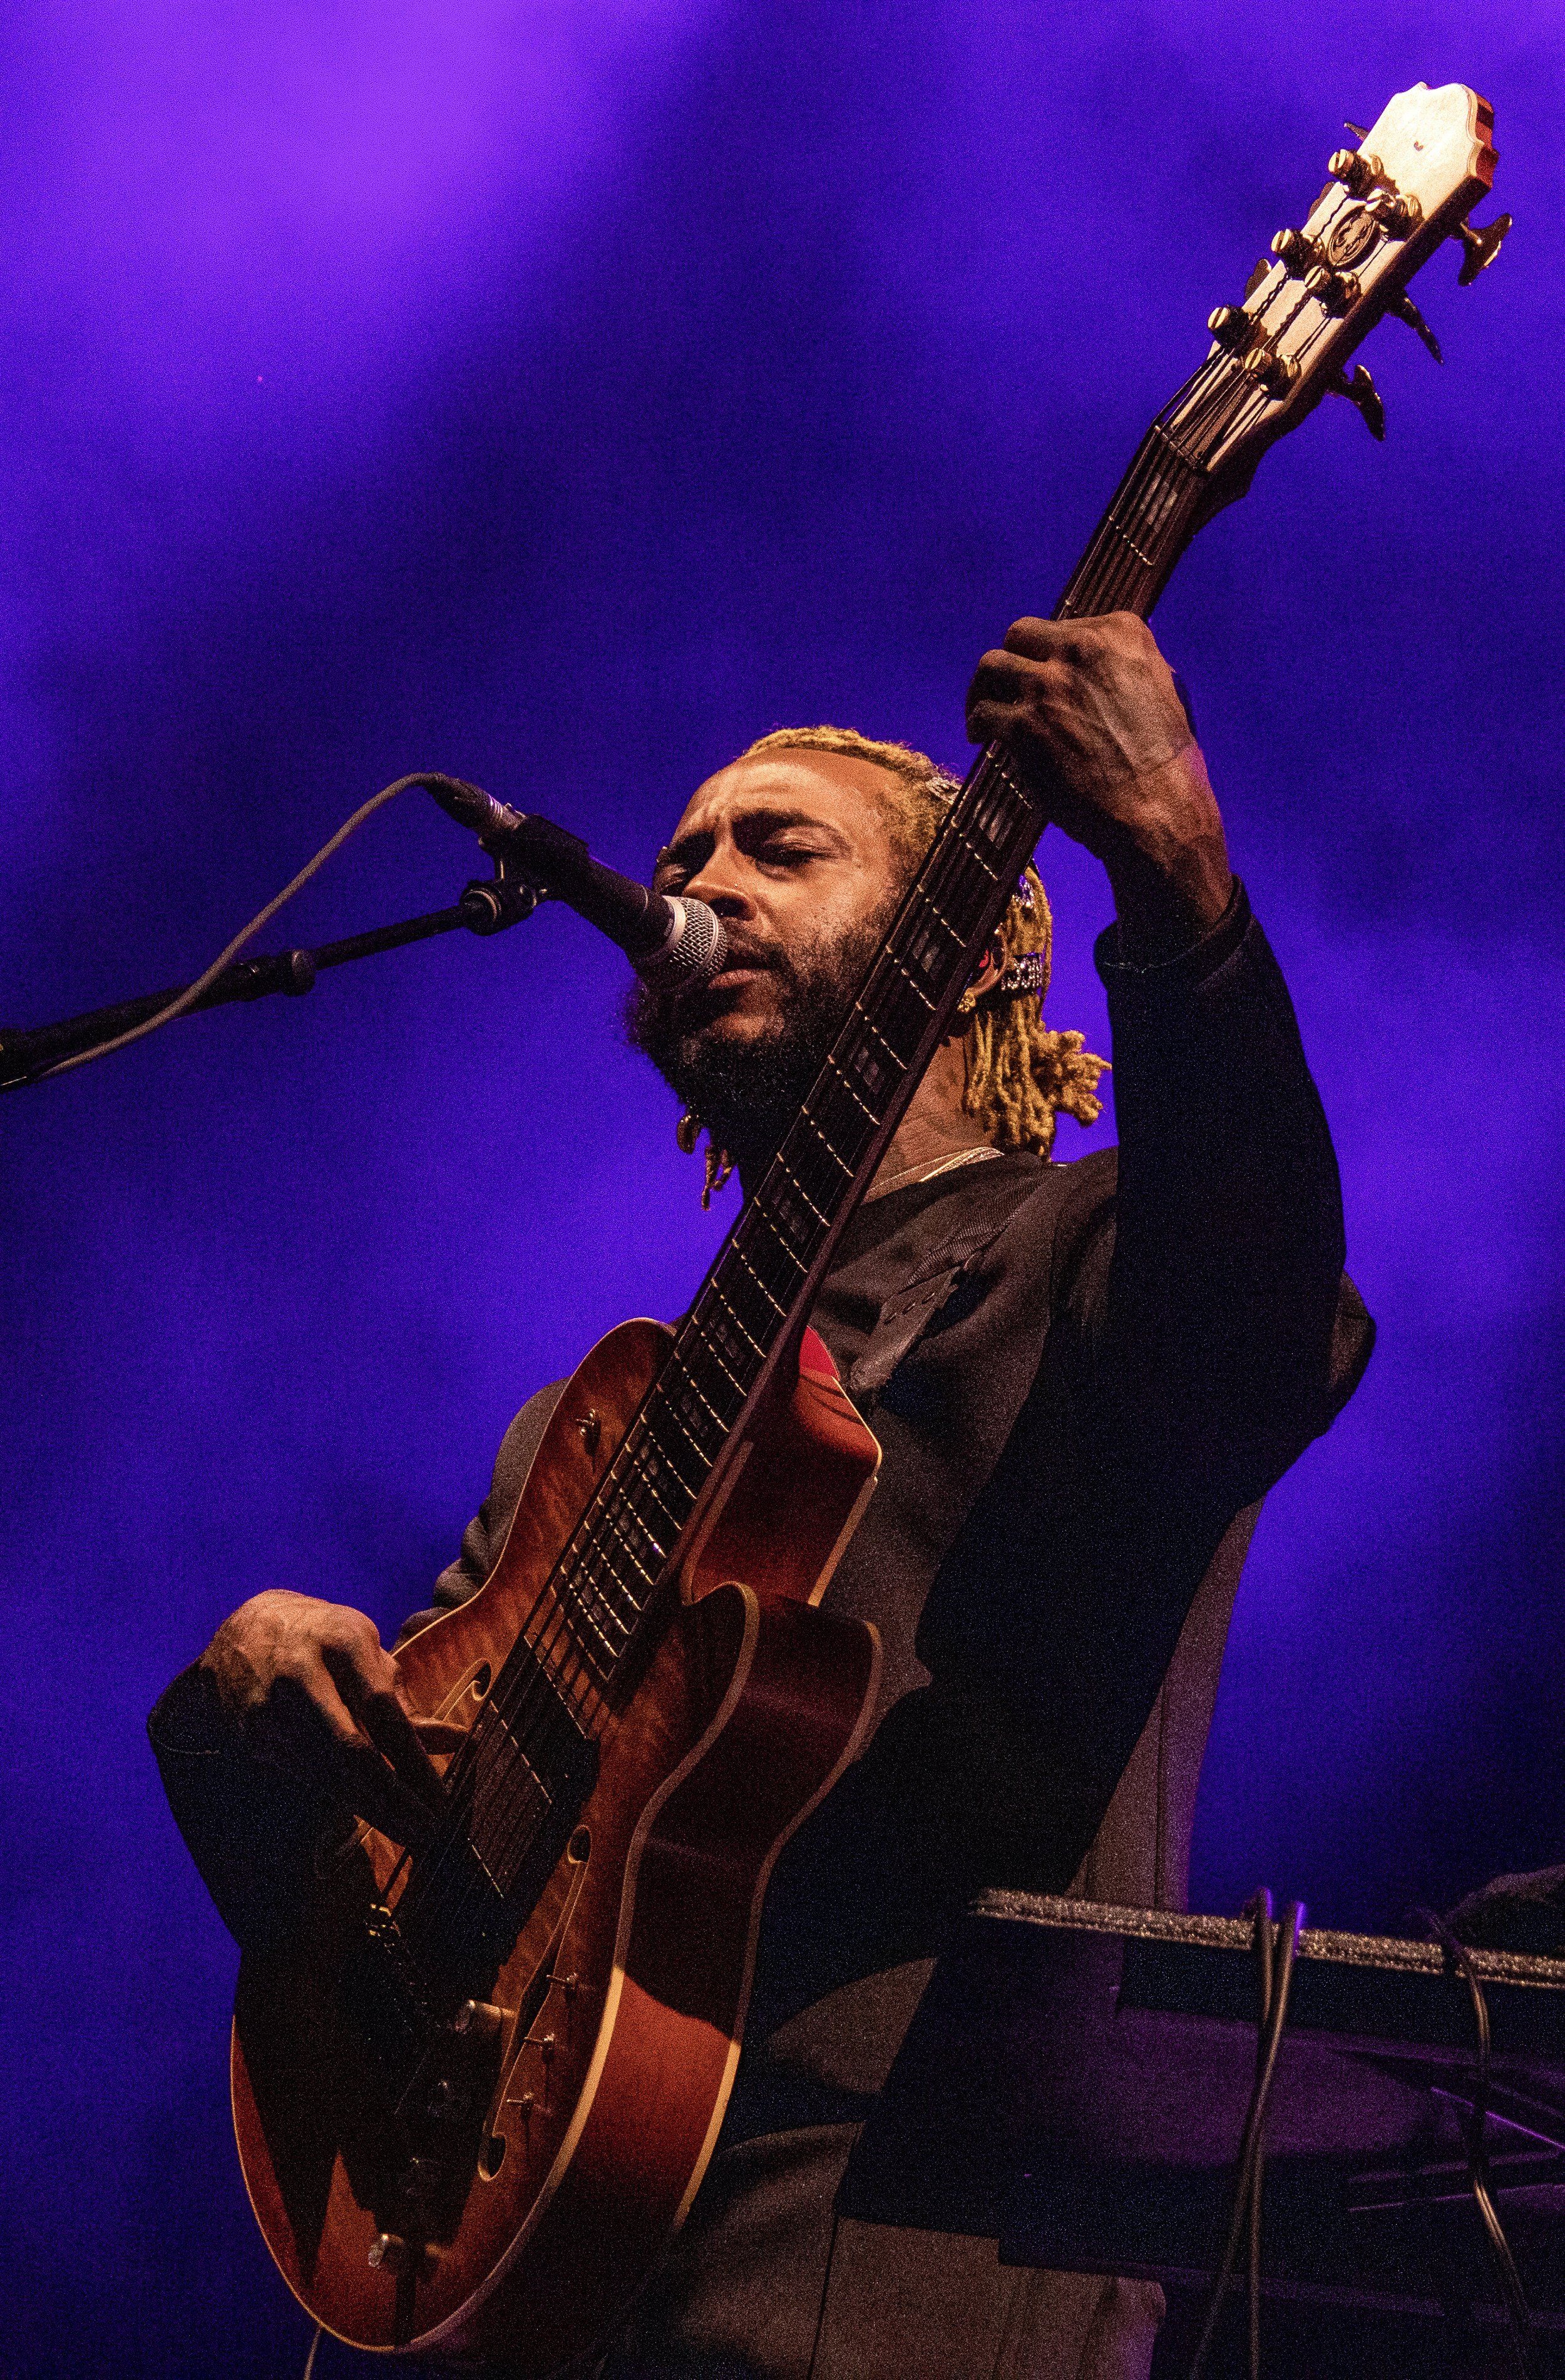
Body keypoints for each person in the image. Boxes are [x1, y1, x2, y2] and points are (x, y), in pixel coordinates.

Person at [150, 613, 1373, 2380]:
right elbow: (390, 1870)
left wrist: (1174, 875)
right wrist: (245, 1702)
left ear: (976, 941)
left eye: (776, 848)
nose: (703, 881)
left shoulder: (1075, 1256)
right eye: (682, 859)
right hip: (533, 2287)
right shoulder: (584, 1431)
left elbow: (1260, 1311)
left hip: (897, 2265)